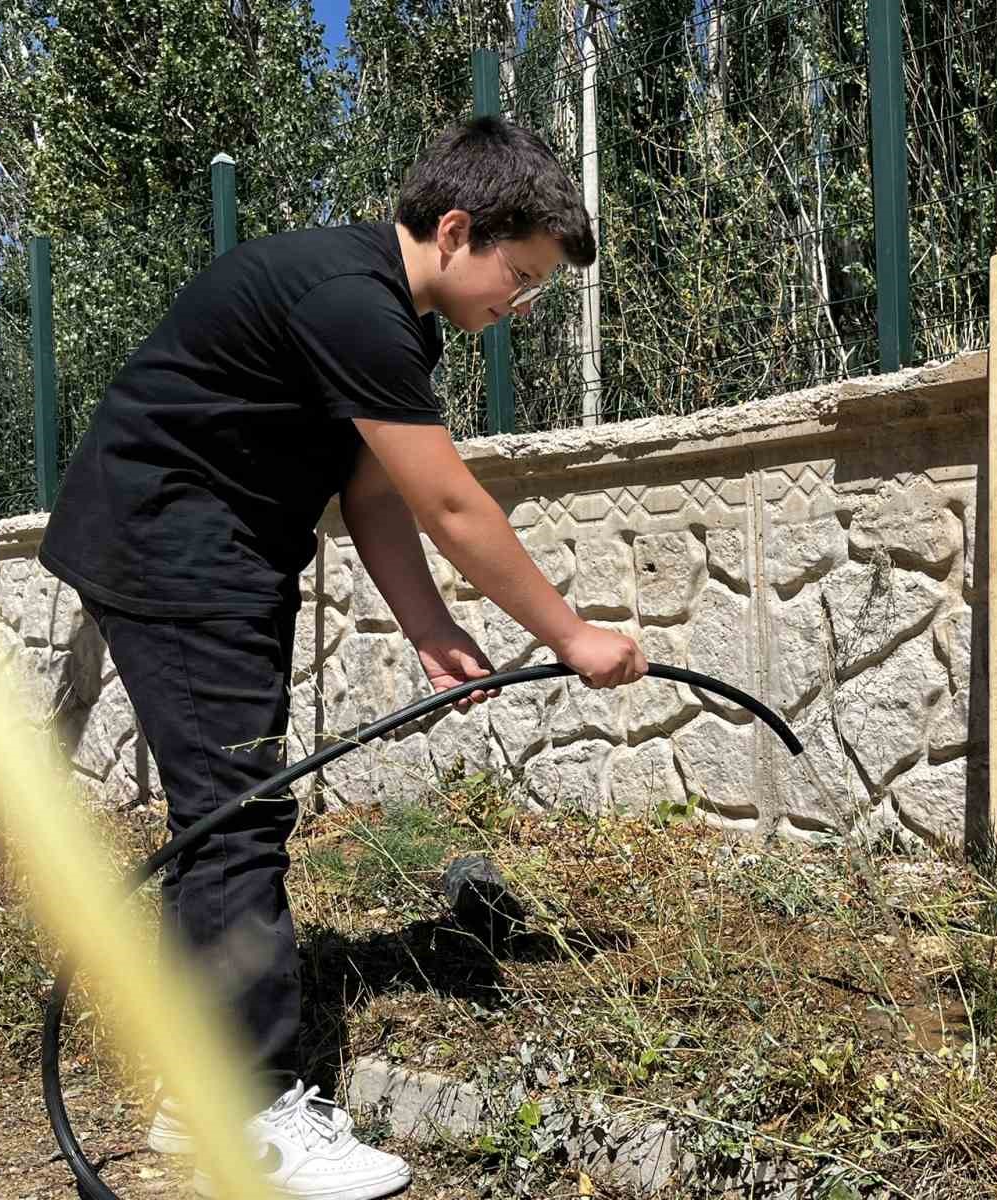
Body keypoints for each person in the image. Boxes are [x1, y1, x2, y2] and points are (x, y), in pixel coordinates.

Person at [38, 116, 646, 1199]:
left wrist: (427, 627)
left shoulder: (389, 320)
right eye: (520, 274)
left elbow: (370, 492)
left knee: (230, 811)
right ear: (456, 230)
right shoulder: (353, 306)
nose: (520, 304)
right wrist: (571, 637)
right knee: (239, 814)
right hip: (173, 548)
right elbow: (451, 503)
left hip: (204, 547)